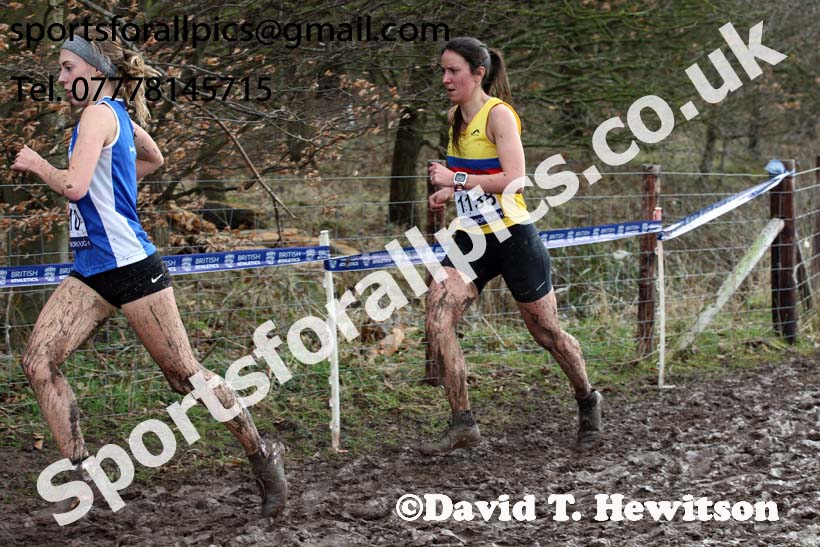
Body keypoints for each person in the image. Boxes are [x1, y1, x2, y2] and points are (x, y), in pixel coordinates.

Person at [11, 29, 286, 521]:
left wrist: (36, 164)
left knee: (185, 376)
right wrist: (113, 188)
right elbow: (152, 159)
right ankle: (83, 477)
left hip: (134, 269)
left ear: (97, 70)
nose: (61, 78)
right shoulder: (115, 115)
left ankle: (263, 456)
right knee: (38, 361)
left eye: (68, 68)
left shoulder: (97, 114)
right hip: (91, 272)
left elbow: (73, 186)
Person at [421, 37, 603, 456]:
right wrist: (450, 192)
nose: (445, 78)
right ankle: (463, 422)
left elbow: (515, 180)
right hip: (470, 237)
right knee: (437, 317)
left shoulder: (499, 115)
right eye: (443, 70)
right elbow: (474, 175)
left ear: (478, 73)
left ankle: (587, 399)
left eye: (453, 71)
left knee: (546, 333)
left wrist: (455, 179)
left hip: (512, 235)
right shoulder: (455, 117)